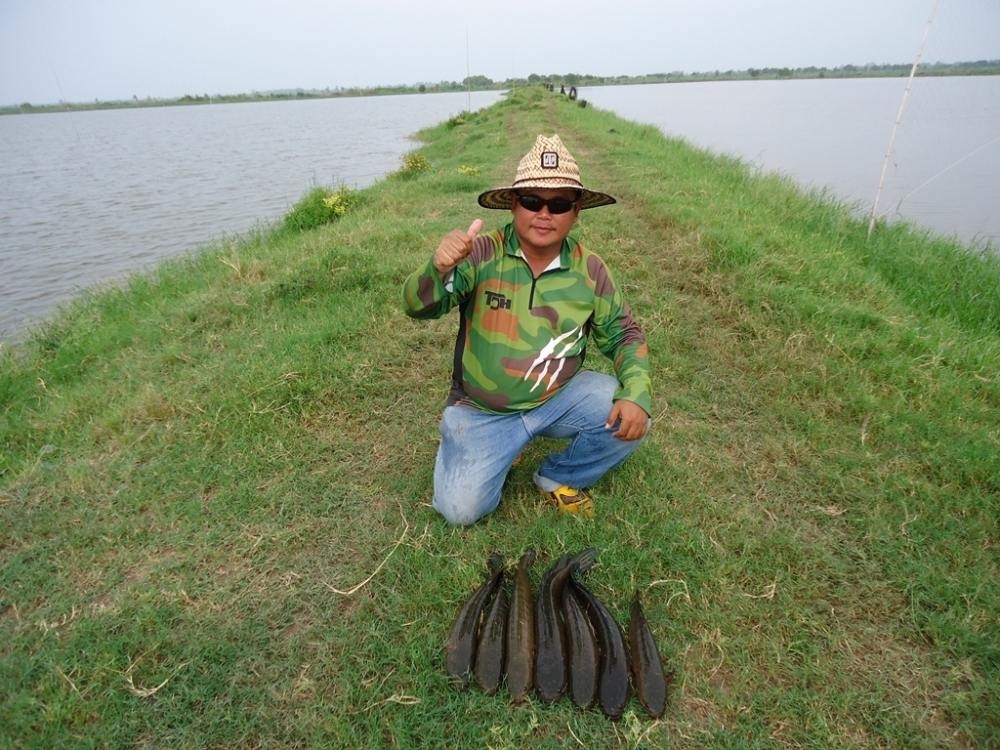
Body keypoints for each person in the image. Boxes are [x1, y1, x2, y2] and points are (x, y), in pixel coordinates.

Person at [402, 134, 651, 525]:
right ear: (515, 205)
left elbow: (624, 335)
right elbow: (418, 307)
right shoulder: (480, 254)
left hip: (557, 398)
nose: (544, 214)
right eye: (532, 201)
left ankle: (557, 475)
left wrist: (636, 394)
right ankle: (480, 443)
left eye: (560, 204)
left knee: (632, 416)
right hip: (483, 409)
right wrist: (439, 268)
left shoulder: (591, 269)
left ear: (577, 212)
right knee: (460, 511)